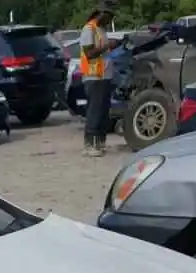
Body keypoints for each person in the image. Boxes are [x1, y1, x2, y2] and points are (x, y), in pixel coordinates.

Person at [79, 0, 121, 157]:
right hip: (93, 76)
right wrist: (108, 45)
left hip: (104, 75)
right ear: (102, 14)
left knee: (103, 112)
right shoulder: (88, 29)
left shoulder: (101, 29)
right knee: (94, 111)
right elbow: (89, 53)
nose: (111, 21)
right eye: (109, 17)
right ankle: (90, 144)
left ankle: (100, 143)